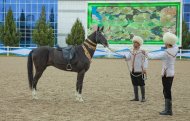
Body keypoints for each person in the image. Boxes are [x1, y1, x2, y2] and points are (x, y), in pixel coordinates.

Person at [147, 32, 178, 115]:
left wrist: (146, 53)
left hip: (166, 73)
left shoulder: (166, 53)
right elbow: (175, 46)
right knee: (167, 90)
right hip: (171, 73)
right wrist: (168, 46)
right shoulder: (175, 49)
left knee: (166, 91)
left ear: (167, 42)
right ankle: (168, 109)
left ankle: (168, 110)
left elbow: (153, 56)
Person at [125, 36, 148, 102]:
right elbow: (128, 57)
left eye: (136, 42)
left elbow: (145, 60)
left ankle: (143, 97)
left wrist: (145, 68)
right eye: (134, 42)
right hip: (133, 70)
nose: (134, 44)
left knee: (141, 84)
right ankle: (136, 97)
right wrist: (125, 57)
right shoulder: (131, 51)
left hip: (140, 70)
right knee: (134, 84)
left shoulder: (142, 52)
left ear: (139, 44)